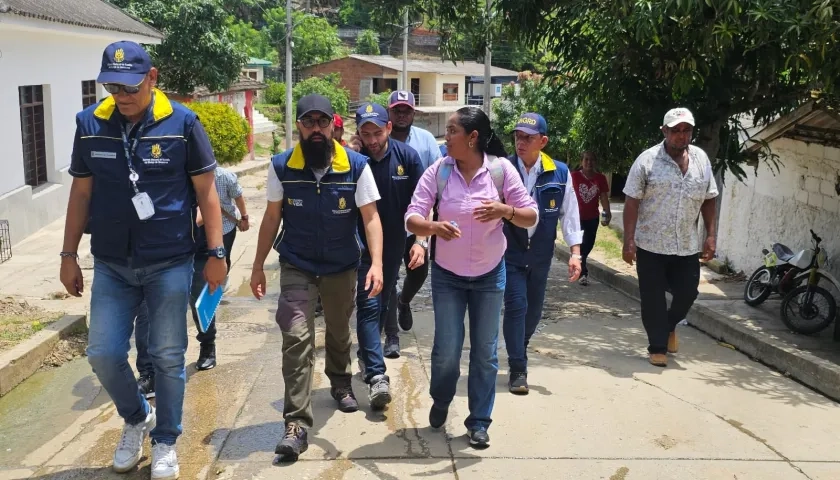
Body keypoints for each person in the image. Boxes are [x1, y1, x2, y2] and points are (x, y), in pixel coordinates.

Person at [60, 41, 226, 479]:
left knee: (168, 354)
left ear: (152, 78)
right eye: (112, 85)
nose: (122, 93)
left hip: (170, 260)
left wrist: (216, 252)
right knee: (102, 352)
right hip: (112, 262)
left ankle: (167, 439)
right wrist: (68, 254)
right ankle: (137, 418)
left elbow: (207, 192)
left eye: (131, 84)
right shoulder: (89, 124)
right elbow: (81, 192)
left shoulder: (183, 124)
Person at [250, 94, 385, 460]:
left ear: (332, 125)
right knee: (295, 338)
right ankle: (295, 424)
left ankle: (341, 383)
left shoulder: (356, 166)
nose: (315, 130)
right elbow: (271, 217)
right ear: (298, 125)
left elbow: (371, 217)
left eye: (321, 123)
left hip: (342, 265)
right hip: (297, 263)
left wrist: (376, 263)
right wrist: (258, 264)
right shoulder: (281, 166)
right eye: (308, 122)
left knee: (340, 330)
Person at [405, 107, 538, 449]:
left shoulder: (500, 171)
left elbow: (530, 216)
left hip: (490, 275)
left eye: (451, 131)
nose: (446, 137)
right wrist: (432, 228)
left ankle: (479, 421)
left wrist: (504, 210)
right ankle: (442, 397)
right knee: (447, 350)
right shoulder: (439, 171)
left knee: (485, 352)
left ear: (472, 137)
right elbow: (412, 217)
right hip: (448, 276)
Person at [133, 166, 249, 387]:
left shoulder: (206, 176)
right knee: (147, 309)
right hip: (160, 250)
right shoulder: (157, 175)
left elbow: (205, 211)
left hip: (201, 248)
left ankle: (207, 346)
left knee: (200, 299)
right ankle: (147, 372)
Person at [622, 107, 718, 367]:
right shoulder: (647, 161)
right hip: (651, 243)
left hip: (686, 245)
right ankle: (657, 346)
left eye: (686, 130)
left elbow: (709, 199)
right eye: (676, 130)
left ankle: (669, 325)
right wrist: (628, 240)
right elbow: (631, 201)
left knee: (688, 292)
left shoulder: (701, 160)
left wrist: (710, 236)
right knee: (652, 298)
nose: (681, 135)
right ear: (664, 131)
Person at [502, 113, 583, 395]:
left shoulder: (559, 173)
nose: (520, 142)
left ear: (543, 141)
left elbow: (569, 215)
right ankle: (518, 367)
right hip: (509, 252)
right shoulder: (502, 169)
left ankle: (519, 346)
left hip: (540, 255)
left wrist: (575, 253)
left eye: (528, 137)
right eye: (517, 136)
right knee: (516, 306)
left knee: (534, 311)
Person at [352, 102, 424, 407]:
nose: (372, 140)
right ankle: (376, 374)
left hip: (395, 243)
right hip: (360, 246)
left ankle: (368, 351)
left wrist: (420, 240)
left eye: (377, 132)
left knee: (382, 303)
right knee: (368, 302)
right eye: (365, 133)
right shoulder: (354, 160)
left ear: (389, 128)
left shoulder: (407, 157)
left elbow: (423, 200)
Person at [571, 151, 612, 285]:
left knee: (588, 244)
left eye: (592, 160)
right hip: (577, 217)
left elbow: (604, 196)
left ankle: (577, 263)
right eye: (586, 159)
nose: (589, 162)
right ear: (581, 161)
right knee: (581, 244)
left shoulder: (600, 178)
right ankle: (583, 273)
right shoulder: (574, 176)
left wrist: (607, 211)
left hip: (592, 217)